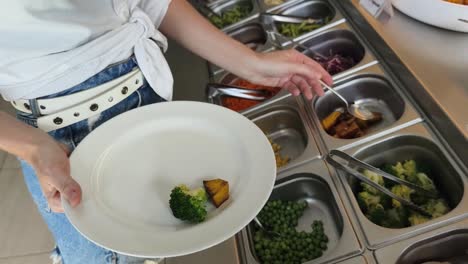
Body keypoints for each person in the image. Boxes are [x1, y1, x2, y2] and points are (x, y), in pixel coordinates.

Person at [0, 0, 333, 263]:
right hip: (61, 136)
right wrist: (32, 147)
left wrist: (250, 64)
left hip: (149, 97)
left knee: (153, 240)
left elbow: (150, 2)